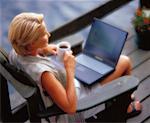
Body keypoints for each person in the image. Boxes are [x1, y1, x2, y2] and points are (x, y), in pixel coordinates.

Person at [8, 12, 142, 121]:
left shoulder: (16, 54)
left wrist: (43, 49)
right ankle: (127, 106)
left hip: (72, 84)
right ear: (30, 44)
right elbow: (70, 108)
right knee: (124, 61)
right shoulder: (45, 75)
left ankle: (125, 98)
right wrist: (70, 69)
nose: (48, 35)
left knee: (107, 64)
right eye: (43, 34)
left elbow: (27, 55)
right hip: (81, 101)